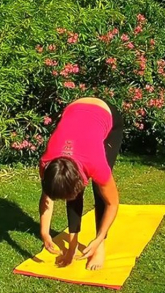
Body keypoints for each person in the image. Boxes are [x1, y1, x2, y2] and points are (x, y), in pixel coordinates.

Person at [38, 97, 123, 271]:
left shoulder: (96, 163)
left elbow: (112, 203)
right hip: (75, 109)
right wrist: (45, 232)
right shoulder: (47, 164)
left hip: (106, 114)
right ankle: (73, 244)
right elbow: (46, 198)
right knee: (68, 188)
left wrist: (98, 239)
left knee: (101, 193)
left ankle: (100, 249)